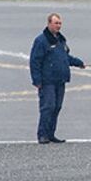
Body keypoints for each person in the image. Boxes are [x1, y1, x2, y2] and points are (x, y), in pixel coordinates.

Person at [29, 12, 85, 144]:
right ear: (49, 24)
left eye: (60, 23)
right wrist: (36, 80)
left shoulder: (61, 40)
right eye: (56, 23)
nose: (58, 26)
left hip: (60, 80)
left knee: (57, 107)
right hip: (47, 81)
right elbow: (34, 61)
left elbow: (65, 58)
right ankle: (42, 134)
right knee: (48, 106)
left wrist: (78, 62)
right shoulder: (41, 41)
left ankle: (50, 134)